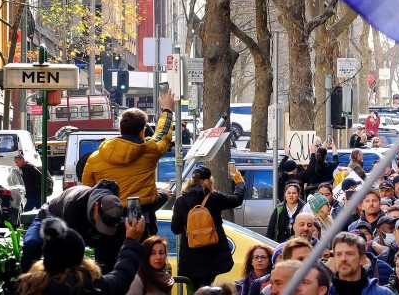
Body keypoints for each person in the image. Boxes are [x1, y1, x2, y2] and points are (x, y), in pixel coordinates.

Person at [81, 89, 175, 233]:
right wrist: (167, 109)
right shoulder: (150, 150)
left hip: (107, 221)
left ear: (120, 129)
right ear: (143, 131)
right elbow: (163, 135)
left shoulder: (95, 158)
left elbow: (87, 192)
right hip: (141, 220)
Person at [18, 215, 146, 295]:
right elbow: (122, 276)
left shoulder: (28, 285)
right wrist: (131, 241)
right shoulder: (89, 286)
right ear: (78, 257)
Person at [21, 180, 125, 274]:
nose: (103, 229)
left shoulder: (112, 209)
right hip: (51, 216)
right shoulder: (74, 204)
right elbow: (66, 249)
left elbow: (107, 250)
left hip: (80, 224)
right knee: (33, 244)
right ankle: (27, 283)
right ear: (96, 206)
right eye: (101, 223)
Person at [169, 164, 246, 289]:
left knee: (194, 289)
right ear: (209, 181)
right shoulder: (214, 198)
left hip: (190, 259)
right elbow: (237, 199)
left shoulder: (181, 201)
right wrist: (239, 181)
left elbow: (175, 229)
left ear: (191, 181)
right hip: (213, 257)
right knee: (208, 289)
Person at [329, 231, 394, 294]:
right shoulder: (323, 292)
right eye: (338, 254)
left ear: (362, 259)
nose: (343, 259)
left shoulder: (383, 293)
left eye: (349, 254)